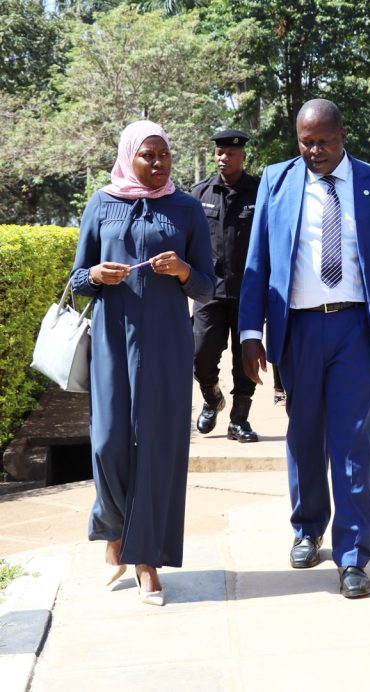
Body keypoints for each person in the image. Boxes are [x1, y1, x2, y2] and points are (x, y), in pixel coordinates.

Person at [238, 99, 370, 598]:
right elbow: (257, 263)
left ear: (343, 134)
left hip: (356, 329)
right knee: (304, 434)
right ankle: (307, 527)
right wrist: (252, 332)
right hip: (299, 332)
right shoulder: (277, 181)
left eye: (324, 141)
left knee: (354, 443)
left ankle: (353, 554)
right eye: (306, 141)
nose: (314, 150)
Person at [71, 120, 215, 606]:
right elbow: (76, 279)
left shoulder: (187, 207)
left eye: (164, 155)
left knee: (157, 444)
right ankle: (114, 532)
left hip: (166, 342)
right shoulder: (101, 203)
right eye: (147, 156)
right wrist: (94, 274)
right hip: (112, 339)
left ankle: (147, 559)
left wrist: (183, 271)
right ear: (128, 155)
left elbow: (207, 286)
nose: (157, 164)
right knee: (109, 440)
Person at [191, 129, 261, 442]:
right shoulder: (199, 193)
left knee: (245, 359)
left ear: (243, 156)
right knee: (201, 353)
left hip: (248, 292)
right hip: (209, 291)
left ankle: (238, 420)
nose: (224, 158)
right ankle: (212, 397)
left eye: (231, 153)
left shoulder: (259, 192)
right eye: (220, 153)